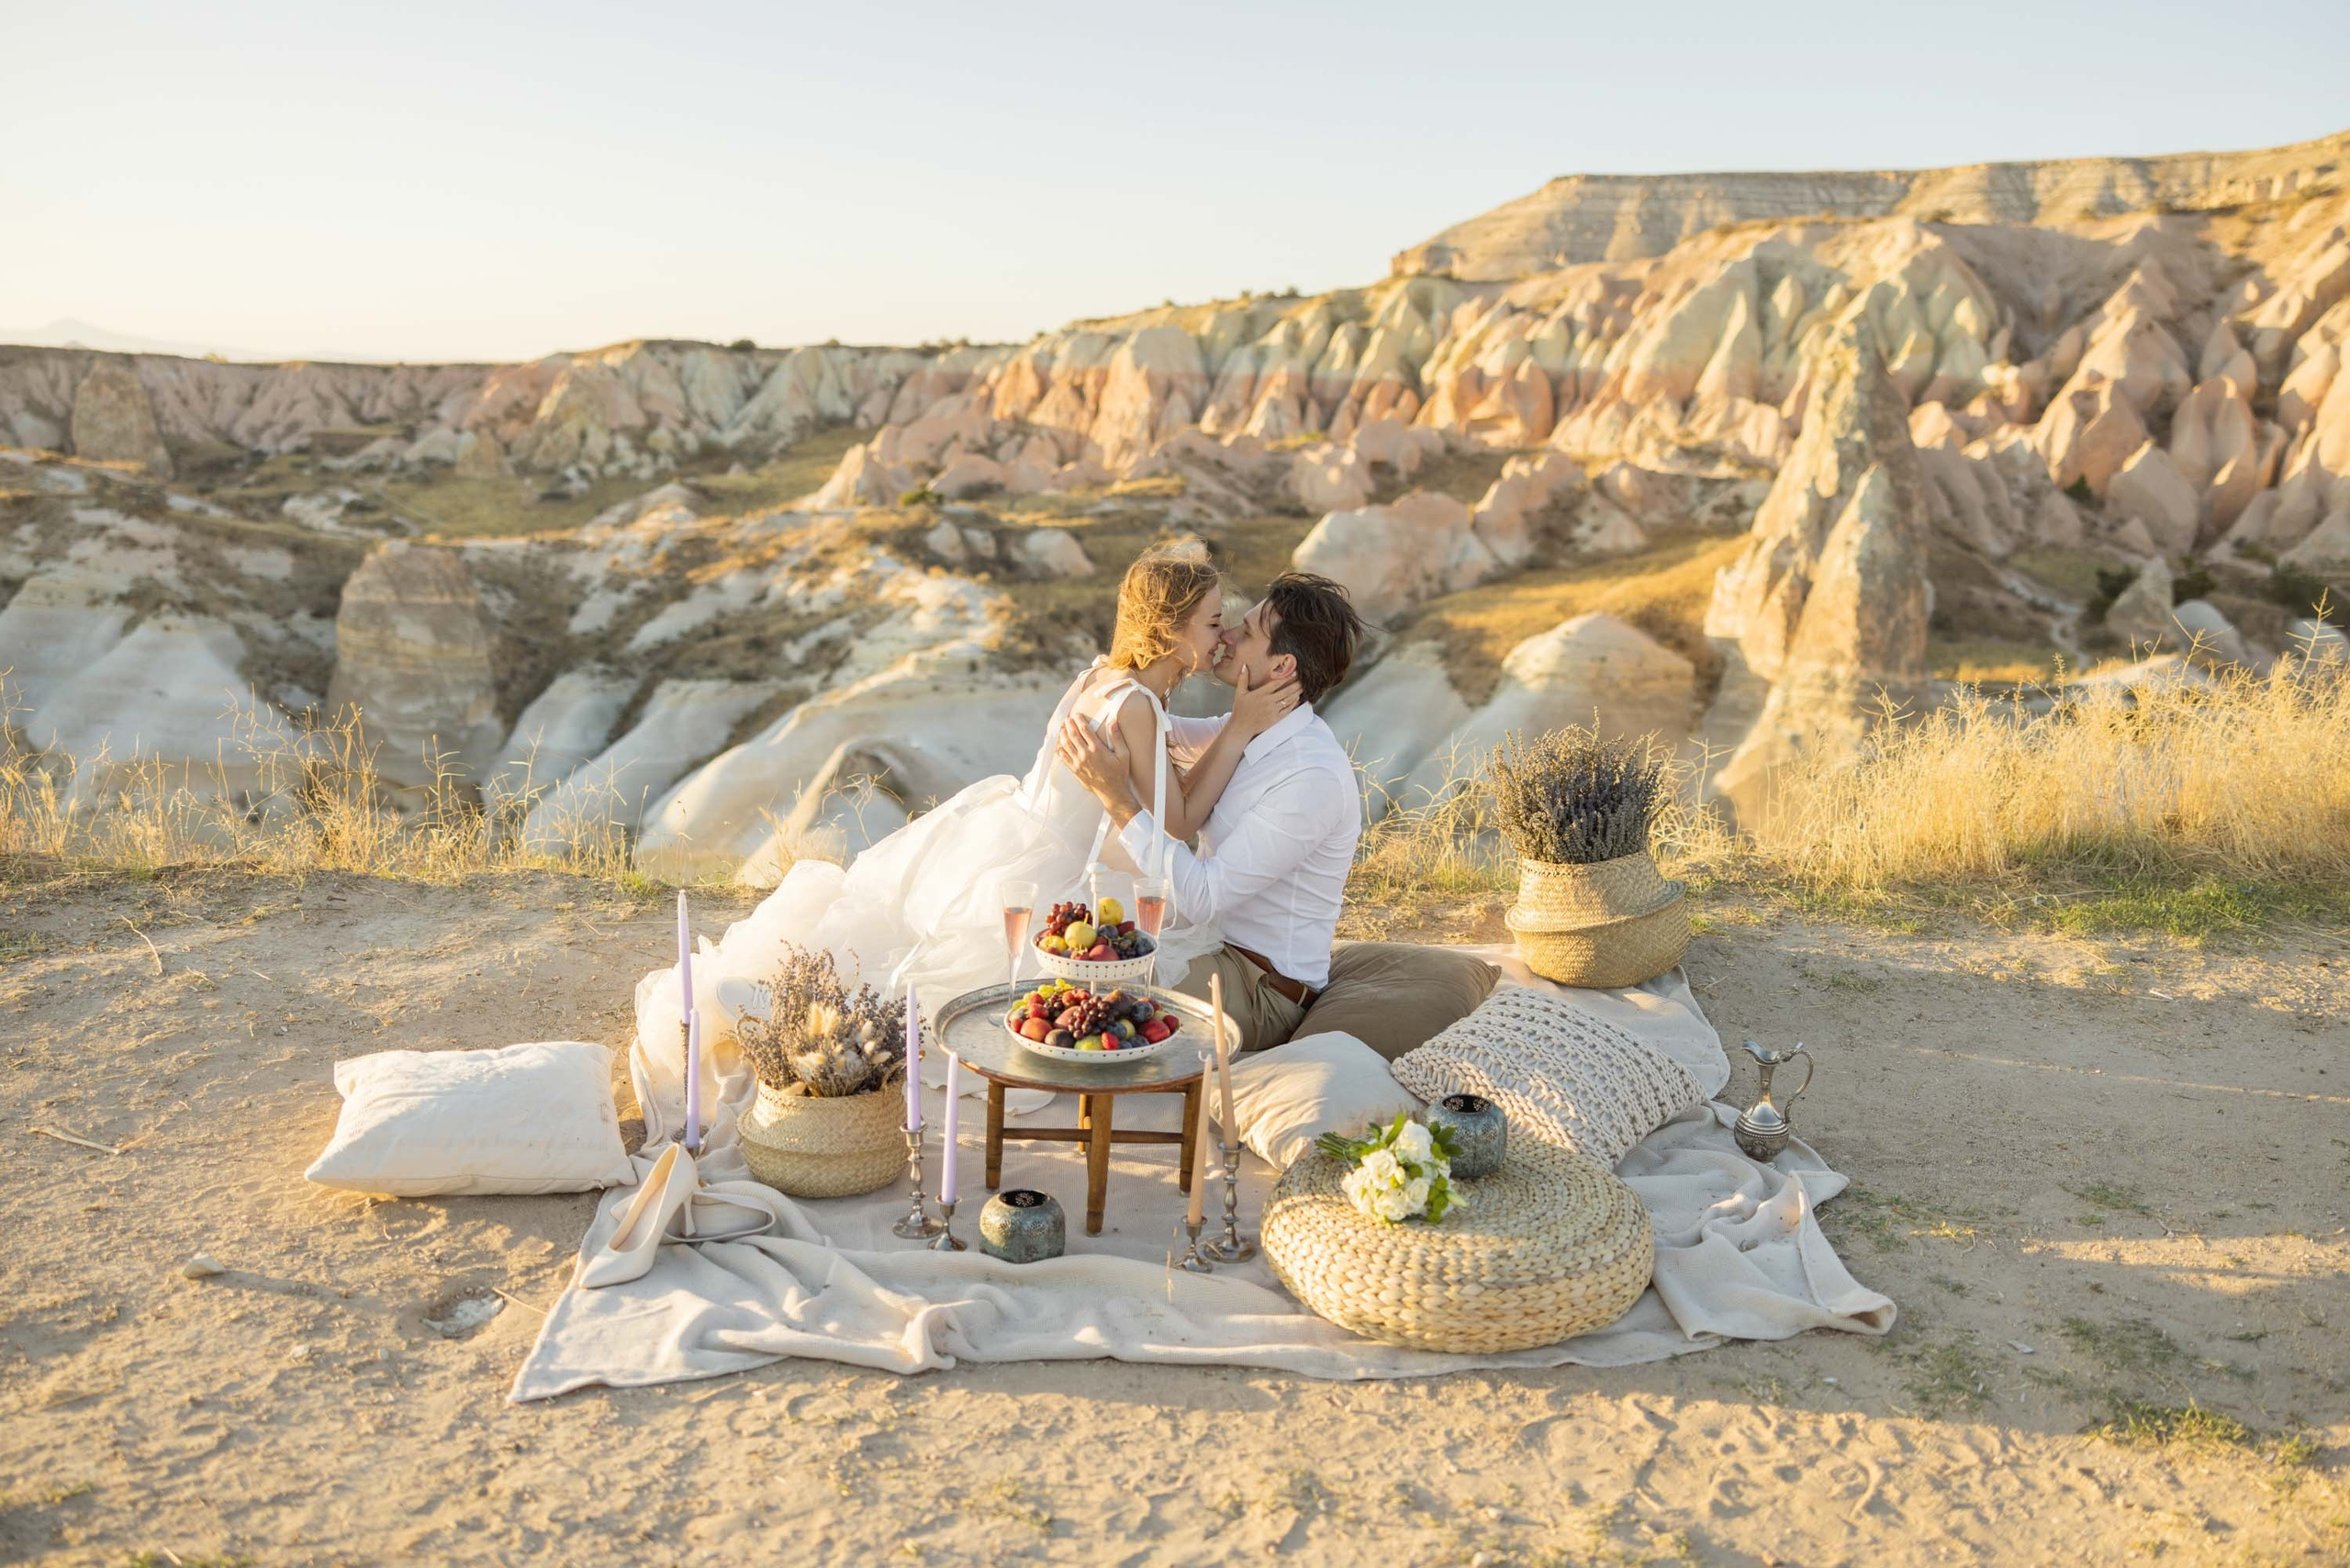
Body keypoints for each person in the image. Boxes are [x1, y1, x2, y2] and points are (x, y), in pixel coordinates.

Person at [673, 546, 1302, 1019]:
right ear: (1170, 629)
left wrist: (1233, 725)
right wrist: (1240, 731)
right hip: (1048, 868)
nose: (1224, 636)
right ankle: (809, 1009)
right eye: (1213, 622)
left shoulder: (1100, 679)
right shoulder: (1138, 705)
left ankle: (799, 996)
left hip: (1007, 835)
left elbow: (1168, 761)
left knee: (913, 953)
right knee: (942, 985)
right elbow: (1179, 821)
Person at [1054, 570, 1367, 1053]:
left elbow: (1201, 896)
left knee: (1082, 989)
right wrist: (1122, 680)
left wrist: (1117, 800)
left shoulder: (1310, 777)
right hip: (1212, 947)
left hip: (1261, 989)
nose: (1228, 636)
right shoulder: (1254, 725)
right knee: (1066, 957)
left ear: (1282, 666)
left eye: (1247, 632)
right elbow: (1151, 729)